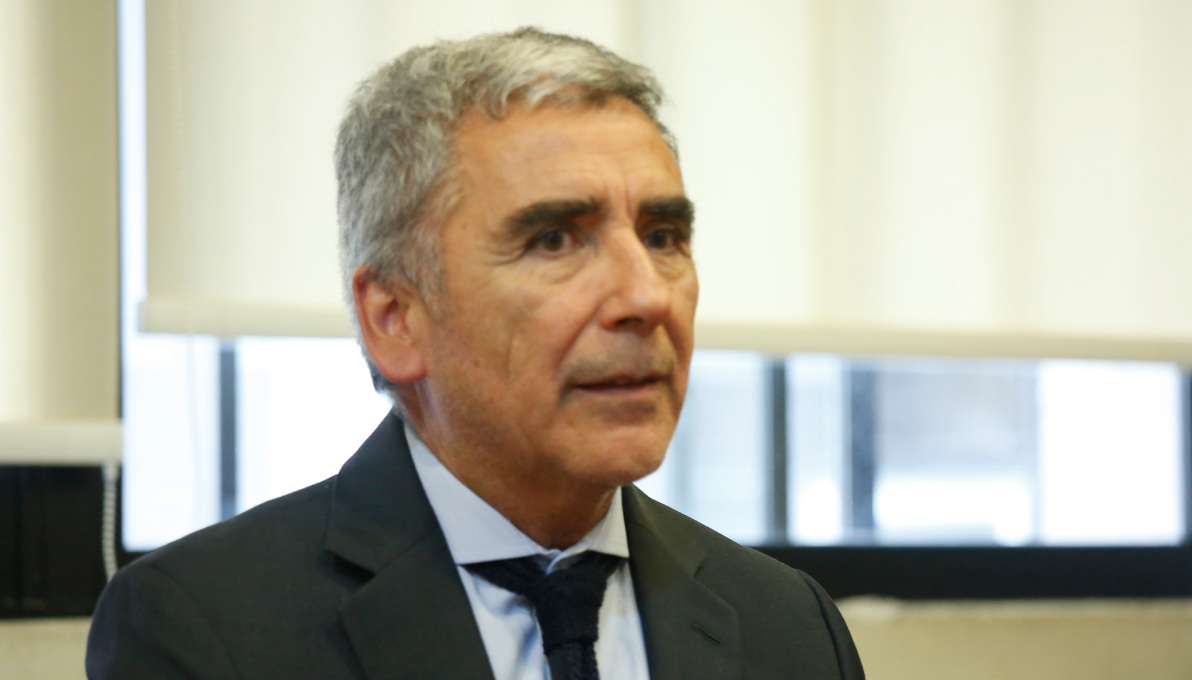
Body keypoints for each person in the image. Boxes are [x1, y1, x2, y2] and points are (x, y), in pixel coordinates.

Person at [87, 27, 864, 680]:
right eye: (554, 239)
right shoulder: (207, 629)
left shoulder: (789, 626)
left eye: (663, 237)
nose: (647, 296)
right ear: (395, 318)